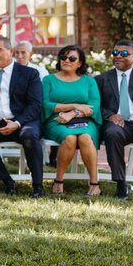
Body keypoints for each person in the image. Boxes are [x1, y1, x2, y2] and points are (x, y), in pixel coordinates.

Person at [0, 36, 45, 198]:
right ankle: (7, 181)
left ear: (10, 51)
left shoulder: (29, 73)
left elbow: (35, 105)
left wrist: (17, 123)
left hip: (23, 121)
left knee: (31, 136)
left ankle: (37, 186)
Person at [94, 41, 133, 199]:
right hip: (119, 125)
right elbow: (94, 105)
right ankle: (121, 185)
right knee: (112, 133)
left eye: (124, 53)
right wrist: (110, 115)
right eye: (115, 53)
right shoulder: (102, 79)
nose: (118, 56)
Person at [42, 45, 102, 196]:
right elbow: (45, 104)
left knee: (85, 138)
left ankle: (94, 184)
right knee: (69, 138)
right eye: (63, 57)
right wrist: (75, 105)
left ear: (80, 63)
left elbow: (93, 107)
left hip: (84, 120)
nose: (66, 60)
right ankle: (58, 181)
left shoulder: (89, 82)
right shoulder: (48, 80)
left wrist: (73, 113)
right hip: (56, 121)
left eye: (72, 58)